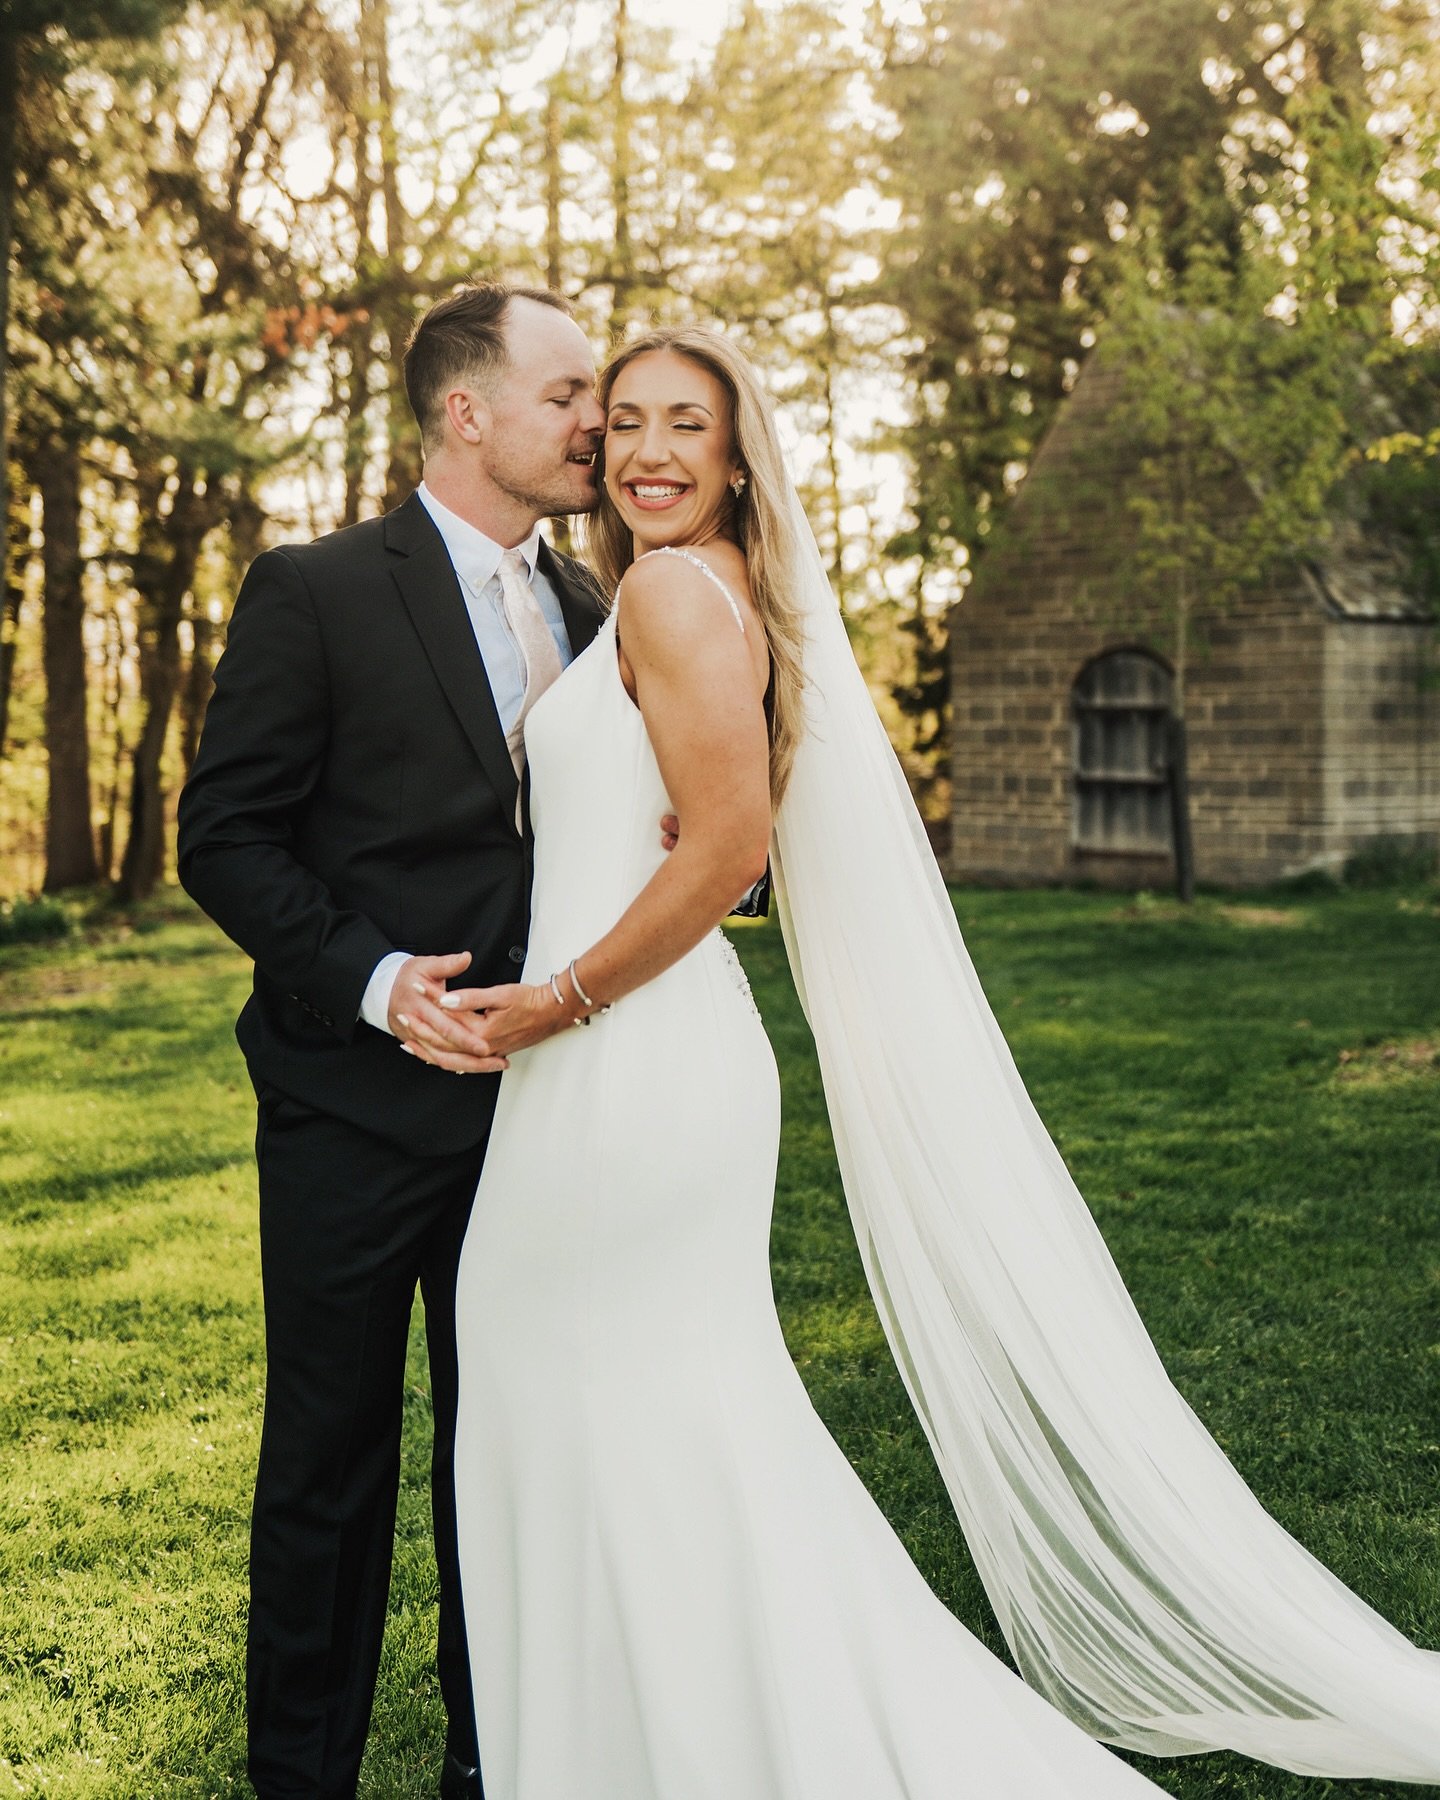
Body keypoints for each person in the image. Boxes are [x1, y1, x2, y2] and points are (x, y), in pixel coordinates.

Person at [405, 326, 1440, 1800]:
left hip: (619, 1067)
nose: (642, 449)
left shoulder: (667, 592)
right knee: (654, 1421)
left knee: (593, 1395)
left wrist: (553, 999)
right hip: (628, 1061)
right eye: (620, 417)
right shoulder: (684, 591)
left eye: (682, 425)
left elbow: (732, 850)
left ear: (734, 450)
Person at [178, 282, 636, 1800]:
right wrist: (377, 984)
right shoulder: (312, 589)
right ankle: (300, 1776)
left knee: (504, 1463)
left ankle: (493, 1767)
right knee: (332, 1462)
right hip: (348, 1107)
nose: (598, 420)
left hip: (542, 1111)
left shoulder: (596, 606)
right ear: (467, 411)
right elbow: (224, 836)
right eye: (569, 393)